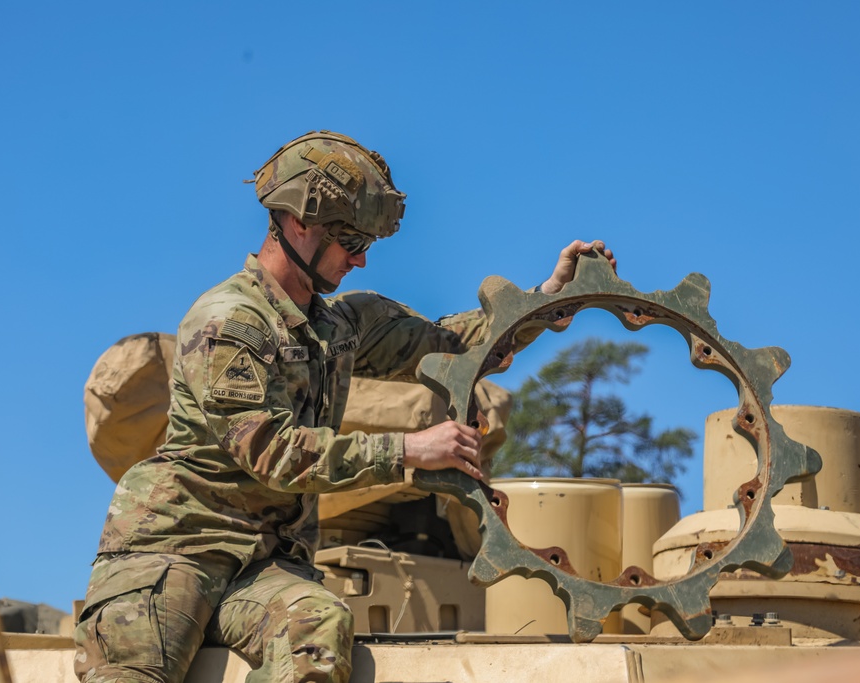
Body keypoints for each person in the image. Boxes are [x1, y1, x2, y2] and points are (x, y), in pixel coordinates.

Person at [73, 130, 615, 683]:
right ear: (297, 223)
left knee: (320, 630)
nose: (359, 259)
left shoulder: (337, 327)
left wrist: (548, 299)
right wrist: (409, 449)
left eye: (367, 246)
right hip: (174, 549)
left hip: (263, 566)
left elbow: (451, 346)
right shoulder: (231, 323)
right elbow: (274, 454)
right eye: (349, 240)